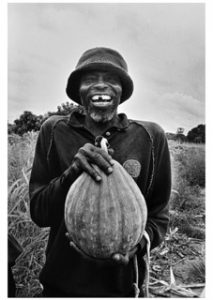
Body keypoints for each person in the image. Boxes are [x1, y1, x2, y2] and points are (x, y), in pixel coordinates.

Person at [29, 47, 171, 297]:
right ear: (79, 91)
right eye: (90, 80)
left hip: (123, 286)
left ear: (122, 91)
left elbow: (158, 216)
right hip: (62, 284)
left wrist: (135, 245)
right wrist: (72, 172)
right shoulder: (53, 131)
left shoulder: (150, 137)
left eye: (111, 80)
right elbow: (39, 213)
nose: (101, 86)